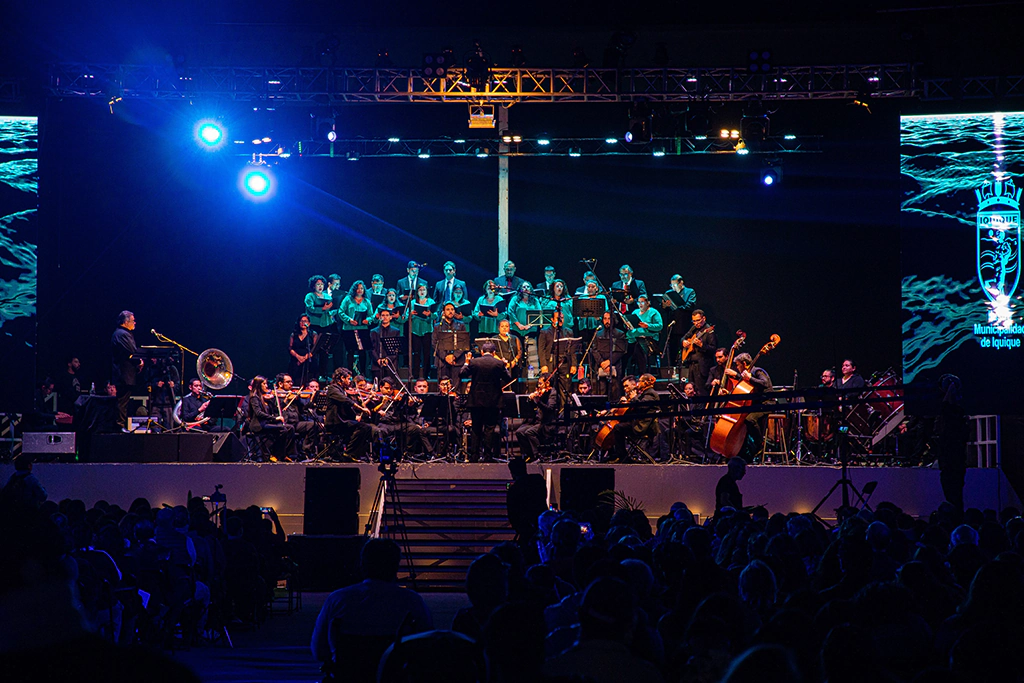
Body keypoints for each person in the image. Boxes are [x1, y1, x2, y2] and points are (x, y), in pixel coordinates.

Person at [311, 538, 432, 667]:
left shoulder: (337, 600)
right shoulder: (412, 601)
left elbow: (319, 651)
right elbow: (427, 646)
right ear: (396, 567)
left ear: (362, 564)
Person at [460, 341, 512, 462]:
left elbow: (461, 374)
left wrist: (467, 362)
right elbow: (508, 378)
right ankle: (488, 456)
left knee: (476, 429)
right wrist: (504, 366)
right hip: (493, 402)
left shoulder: (474, 362)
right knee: (489, 429)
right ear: (494, 353)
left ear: (482, 352)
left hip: (476, 401)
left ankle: (474, 456)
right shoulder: (498, 363)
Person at [724, 352, 773, 455]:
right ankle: (745, 451)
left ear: (744, 363)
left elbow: (765, 383)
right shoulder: (746, 375)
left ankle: (760, 444)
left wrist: (749, 378)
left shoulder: (758, 371)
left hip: (766, 404)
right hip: (755, 405)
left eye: (738, 365)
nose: (737, 367)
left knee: (749, 419)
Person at [607, 373, 660, 464]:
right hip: (638, 423)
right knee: (619, 426)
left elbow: (641, 407)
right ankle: (617, 455)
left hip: (644, 426)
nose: (638, 383)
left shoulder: (650, 393)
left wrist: (634, 398)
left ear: (646, 383)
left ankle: (622, 457)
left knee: (618, 428)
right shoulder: (643, 393)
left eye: (640, 381)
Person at [325, 367, 374, 461]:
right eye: (348, 379)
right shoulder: (333, 388)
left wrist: (356, 414)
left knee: (367, 428)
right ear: (342, 378)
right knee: (363, 427)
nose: (350, 381)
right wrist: (361, 409)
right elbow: (346, 401)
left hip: (343, 421)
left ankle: (355, 454)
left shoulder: (343, 390)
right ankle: (349, 453)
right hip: (335, 422)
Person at [247, 375, 295, 460]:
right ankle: (277, 454)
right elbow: (258, 413)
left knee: (290, 428)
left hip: (266, 423)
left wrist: (284, 401)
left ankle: (284, 454)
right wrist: (274, 419)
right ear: (259, 385)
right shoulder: (254, 397)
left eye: (266, 384)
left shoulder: (264, 397)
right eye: (264, 384)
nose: (266, 386)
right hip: (259, 425)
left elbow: (275, 409)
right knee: (283, 430)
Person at [538, 309, 578, 405]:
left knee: (565, 388)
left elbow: (572, 350)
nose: (560, 320)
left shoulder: (568, 331)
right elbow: (541, 350)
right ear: (552, 319)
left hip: (564, 362)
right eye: (558, 318)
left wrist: (574, 364)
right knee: (551, 387)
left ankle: (564, 412)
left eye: (562, 318)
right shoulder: (545, 332)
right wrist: (543, 365)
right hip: (550, 362)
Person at [516, 373, 558, 462]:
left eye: (540, 383)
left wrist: (538, 401)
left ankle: (538, 455)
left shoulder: (552, 393)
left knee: (529, 432)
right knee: (519, 432)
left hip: (547, 422)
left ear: (548, 383)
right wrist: (531, 401)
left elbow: (549, 409)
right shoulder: (541, 393)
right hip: (536, 421)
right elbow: (532, 409)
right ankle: (529, 454)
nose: (538, 386)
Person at [111, 310, 142, 429]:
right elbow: (131, 350)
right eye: (133, 321)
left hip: (126, 374)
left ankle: (121, 425)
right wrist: (139, 361)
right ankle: (119, 426)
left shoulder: (122, 333)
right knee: (122, 402)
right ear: (125, 322)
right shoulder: (122, 334)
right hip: (124, 374)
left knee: (124, 401)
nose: (135, 323)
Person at [276, 373, 319, 456]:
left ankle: (306, 450)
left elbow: (303, 410)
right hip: (284, 423)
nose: (291, 384)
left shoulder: (294, 396)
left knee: (313, 425)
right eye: (288, 382)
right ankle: (291, 454)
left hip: (296, 423)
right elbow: (276, 409)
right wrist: (284, 401)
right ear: (280, 384)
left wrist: (311, 401)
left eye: (291, 382)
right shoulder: (276, 396)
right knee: (290, 428)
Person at [338, 280, 374, 375]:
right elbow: (341, 312)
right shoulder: (348, 299)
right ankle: (349, 373)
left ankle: (362, 373)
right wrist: (349, 320)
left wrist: (368, 320)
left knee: (362, 352)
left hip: (363, 330)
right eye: (358, 288)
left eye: (361, 288)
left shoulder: (366, 301)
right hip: (349, 329)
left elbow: (371, 315)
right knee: (350, 352)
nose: (360, 290)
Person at [680, 309, 718, 395]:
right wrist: (683, 342)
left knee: (702, 392)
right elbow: (683, 338)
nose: (696, 323)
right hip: (692, 366)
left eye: (698, 320)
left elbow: (713, 349)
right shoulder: (694, 328)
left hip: (703, 367)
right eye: (694, 321)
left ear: (704, 318)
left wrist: (702, 345)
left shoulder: (709, 331)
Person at [662, 275, 697, 368]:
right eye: (671, 285)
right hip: (673, 325)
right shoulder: (669, 293)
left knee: (684, 348)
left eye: (675, 285)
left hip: (684, 325)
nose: (673, 287)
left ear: (681, 283)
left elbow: (690, 305)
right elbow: (665, 308)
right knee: (672, 349)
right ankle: (673, 369)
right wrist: (665, 305)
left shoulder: (690, 292)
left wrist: (676, 306)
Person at [593, 310, 628, 401]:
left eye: (609, 319)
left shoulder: (620, 334)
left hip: (615, 366)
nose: (607, 321)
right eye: (605, 319)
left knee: (615, 392)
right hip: (601, 366)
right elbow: (594, 350)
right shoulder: (598, 333)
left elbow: (621, 351)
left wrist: (609, 362)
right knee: (601, 391)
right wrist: (602, 363)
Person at [626, 294, 663, 375]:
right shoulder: (635, 312)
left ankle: (642, 373)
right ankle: (627, 373)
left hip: (648, 339)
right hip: (634, 338)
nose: (640, 304)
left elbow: (660, 326)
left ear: (648, 303)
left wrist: (648, 326)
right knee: (625, 348)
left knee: (638, 347)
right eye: (639, 302)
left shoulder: (654, 312)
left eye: (642, 302)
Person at [433, 302, 467, 386]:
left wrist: (454, 356)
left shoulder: (461, 325)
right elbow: (434, 343)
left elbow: (463, 343)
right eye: (448, 309)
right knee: (443, 388)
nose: (450, 311)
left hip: (457, 361)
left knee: (456, 388)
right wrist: (445, 357)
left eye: (452, 309)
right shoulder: (438, 326)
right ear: (443, 312)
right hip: (442, 362)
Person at [409, 284, 435, 380]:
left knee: (427, 353)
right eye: (420, 290)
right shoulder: (412, 302)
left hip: (427, 330)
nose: (422, 291)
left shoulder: (431, 301)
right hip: (415, 330)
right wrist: (410, 314)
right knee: (416, 353)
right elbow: (406, 315)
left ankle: (426, 374)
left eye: (424, 289)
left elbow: (436, 315)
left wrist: (429, 314)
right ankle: (415, 374)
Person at [287, 313, 319, 386]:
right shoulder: (294, 334)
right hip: (296, 361)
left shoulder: (313, 334)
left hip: (309, 361)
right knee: (296, 380)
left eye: (305, 321)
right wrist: (298, 357)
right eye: (301, 321)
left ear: (309, 323)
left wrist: (304, 358)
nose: (303, 323)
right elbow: (290, 348)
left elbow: (315, 349)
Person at [370, 309, 401, 380]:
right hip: (377, 364)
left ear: (390, 317)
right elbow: (371, 348)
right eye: (383, 315)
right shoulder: (374, 331)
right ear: (380, 317)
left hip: (391, 364)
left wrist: (388, 359)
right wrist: (377, 359)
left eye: (387, 315)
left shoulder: (396, 331)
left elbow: (396, 348)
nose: (385, 317)